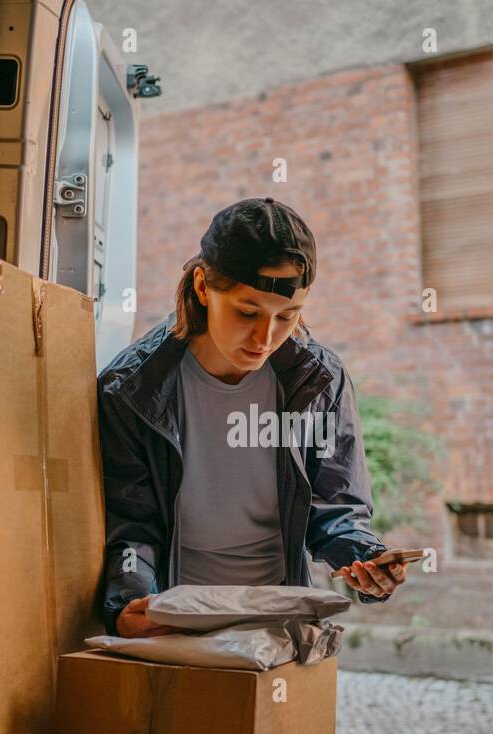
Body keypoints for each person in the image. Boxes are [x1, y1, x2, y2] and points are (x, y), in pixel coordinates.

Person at [96, 197, 409, 637]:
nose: (266, 338)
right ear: (203, 288)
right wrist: (128, 600)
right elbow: (132, 525)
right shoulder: (131, 390)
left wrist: (366, 557)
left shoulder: (319, 381)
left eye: (288, 316)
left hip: (281, 624)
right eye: (247, 312)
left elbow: (337, 510)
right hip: (175, 625)